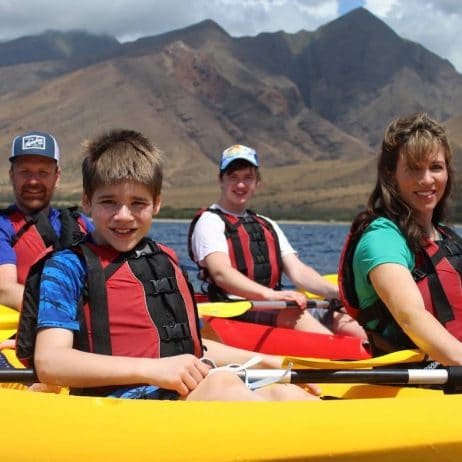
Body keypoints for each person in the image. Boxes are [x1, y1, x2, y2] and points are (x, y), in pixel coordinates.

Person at [27, 129, 317, 401]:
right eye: (109, 202)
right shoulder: (67, 267)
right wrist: (152, 369)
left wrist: (270, 361)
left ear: (157, 203)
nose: (124, 215)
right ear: (87, 202)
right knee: (221, 384)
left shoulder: (164, 259)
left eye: (138, 203)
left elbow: (191, 349)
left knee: (283, 393)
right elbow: (51, 362)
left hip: (183, 393)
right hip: (121, 409)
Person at [188, 144, 366, 338]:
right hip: (236, 310)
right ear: (221, 180)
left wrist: (337, 293)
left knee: (355, 329)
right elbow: (221, 273)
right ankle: (340, 356)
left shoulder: (266, 223)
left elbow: (298, 271)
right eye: (233, 177)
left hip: (275, 306)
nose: (241, 185)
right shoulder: (209, 221)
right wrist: (271, 296)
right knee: (297, 317)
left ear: (257, 182)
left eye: (248, 177)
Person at [339, 112, 462, 364]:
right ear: (390, 174)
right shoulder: (382, 239)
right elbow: (410, 315)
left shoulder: (445, 235)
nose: (427, 179)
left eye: (436, 167)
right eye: (414, 169)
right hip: (420, 384)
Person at [0, 131, 93, 311]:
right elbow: (4, 290)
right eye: (25, 172)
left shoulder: (81, 224)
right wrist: (61, 313)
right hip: (27, 332)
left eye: (43, 172)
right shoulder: (3, 225)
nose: (33, 181)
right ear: (12, 175)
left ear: (57, 176)